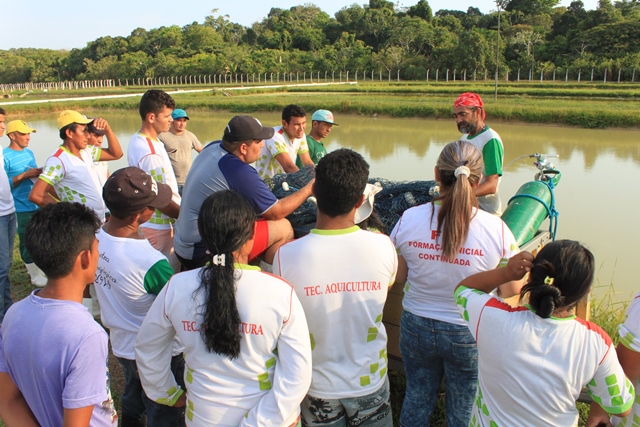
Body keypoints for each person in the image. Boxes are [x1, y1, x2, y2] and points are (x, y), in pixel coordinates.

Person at [135, 190, 312, 427]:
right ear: (251, 236)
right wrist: (260, 421)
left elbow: (147, 347)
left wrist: (168, 393)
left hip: (203, 418)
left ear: (204, 236)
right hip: (271, 420)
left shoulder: (176, 288)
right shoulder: (281, 294)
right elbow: (297, 375)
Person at [390, 140, 520, 427]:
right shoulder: (497, 229)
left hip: (416, 325)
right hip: (468, 331)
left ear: (437, 174)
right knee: (464, 404)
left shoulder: (409, 218)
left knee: (417, 395)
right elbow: (510, 291)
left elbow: (399, 276)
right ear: (477, 180)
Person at [274, 149, 398, 427]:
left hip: (316, 387)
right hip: (369, 381)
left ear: (314, 192)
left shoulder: (286, 257)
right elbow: (385, 289)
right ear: (360, 200)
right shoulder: (383, 246)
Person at [455, 241, 634, 426]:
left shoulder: (492, 317)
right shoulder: (596, 343)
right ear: (586, 291)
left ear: (531, 277)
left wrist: (507, 273)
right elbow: (621, 407)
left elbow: (464, 290)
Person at [0, 202, 118, 426]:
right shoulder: (87, 336)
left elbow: (7, 400)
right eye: (97, 248)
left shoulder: (14, 314)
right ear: (85, 258)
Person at [95, 167, 185, 427]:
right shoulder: (151, 263)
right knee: (164, 408)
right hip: (159, 352)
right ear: (139, 215)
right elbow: (178, 306)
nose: (156, 209)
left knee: (133, 395)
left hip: (122, 344)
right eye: (152, 206)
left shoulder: (97, 238)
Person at [174, 115, 313, 271]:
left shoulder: (213, 147)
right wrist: (309, 188)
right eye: (258, 141)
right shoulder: (237, 169)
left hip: (182, 242)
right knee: (284, 227)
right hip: (201, 251)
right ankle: (264, 279)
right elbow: (276, 211)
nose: (262, 145)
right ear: (243, 148)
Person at [29, 110, 123, 222]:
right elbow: (36, 195)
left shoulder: (86, 151)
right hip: (83, 225)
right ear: (69, 133)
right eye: (83, 131)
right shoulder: (58, 160)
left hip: (100, 219)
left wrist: (108, 130)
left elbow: (116, 154)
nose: (87, 136)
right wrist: (69, 214)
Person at [127, 89, 181, 272]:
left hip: (152, 225)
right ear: (151, 117)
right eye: (166, 116)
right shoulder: (150, 152)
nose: (171, 120)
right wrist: (183, 216)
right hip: (160, 227)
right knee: (165, 278)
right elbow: (159, 198)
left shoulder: (138, 140)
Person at [3, 120, 46, 286]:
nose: (28, 137)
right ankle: (34, 274)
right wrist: (25, 175)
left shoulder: (29, 153)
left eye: (28, 133)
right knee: (26, 238)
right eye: (23, 134)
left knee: (40, 237)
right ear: (12, 136)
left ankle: (40, 269)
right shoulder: (4, 156)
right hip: (20, 207)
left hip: (36, 203)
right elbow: (4, 185)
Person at [453, 92, 504, 215]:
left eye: (463, 114)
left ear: (478, 112)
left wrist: (460, 195)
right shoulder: (464, 138)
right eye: (455, 116)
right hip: (464, 205)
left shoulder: (490, 140)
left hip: (485, 210)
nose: (459, 120)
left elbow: (492, 185)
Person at [255, 104, 314, 180]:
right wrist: (305, 182)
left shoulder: (300, 134)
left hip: (284, 182)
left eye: (304, 123)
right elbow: (289, 166)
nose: (302, 128)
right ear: (285, 124)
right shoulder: (275, 136)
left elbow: (307, 162)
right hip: (267, 183)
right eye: (297, 124)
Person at [158, 108, 203, 196]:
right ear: (172, 121)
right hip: (171, 182)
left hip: (188, 182)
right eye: (179, 120)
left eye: (184, 121)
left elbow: (203, 152)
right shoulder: (162, 136)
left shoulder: (190, 136)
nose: (182, 124)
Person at [0, 108, 16, 326]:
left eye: (3, 121)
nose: (2, 126)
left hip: (9, 210)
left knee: (6, 265)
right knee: (2, 267)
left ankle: (8, 311)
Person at [87, 119, 111, 188]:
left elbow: (107, 175)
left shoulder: (100, 153)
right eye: (96, 136)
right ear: (86, 135)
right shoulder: (83, 154)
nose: (100, 141)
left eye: (102, 136)